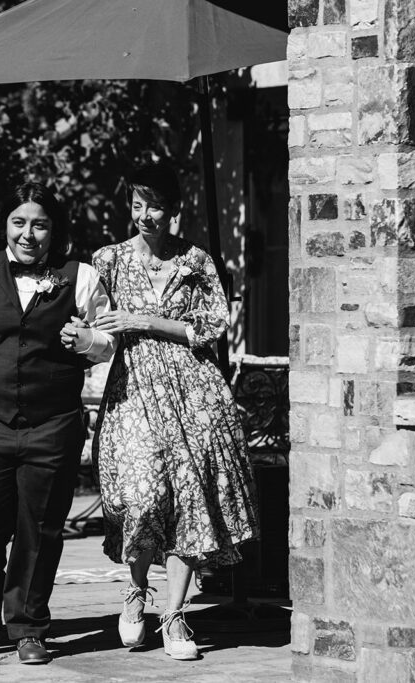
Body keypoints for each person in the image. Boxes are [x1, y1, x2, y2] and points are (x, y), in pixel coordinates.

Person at [0, 182, 115, 665]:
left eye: (40, 224)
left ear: (54, 229)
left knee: (42, 527)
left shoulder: (82, 277)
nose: (28, 234)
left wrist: (87, 339)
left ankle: (29, 624)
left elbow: (110, 342)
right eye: (19, 222)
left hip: (53, 424)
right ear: (5, 224)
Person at [90, 162, 258, 659]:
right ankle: (137, 590)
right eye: (137, 206)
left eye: (155, 206)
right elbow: (90, 318)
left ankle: (176, 616)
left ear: (174, 209)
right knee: (143, 492)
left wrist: (146, 319)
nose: (145, 216)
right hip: (135, 388)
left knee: (189, 498)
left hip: (194, 392)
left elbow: (212, 326)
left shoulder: (197, 261)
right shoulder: (108, 260)